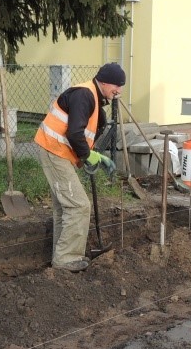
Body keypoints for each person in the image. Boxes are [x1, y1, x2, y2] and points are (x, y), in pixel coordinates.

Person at [34, 63, 124, 273]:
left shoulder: (92, 99)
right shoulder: (85, 95)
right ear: (103, 81)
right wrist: (87, 155)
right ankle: (67, 258)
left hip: (57, 152)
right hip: (54, 151)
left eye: (122, 86)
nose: (119, 90)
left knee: (64, 206)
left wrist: (91, 157)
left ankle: (60, 255)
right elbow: (74, 134)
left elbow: (83, 135)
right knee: (79, 205)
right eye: (117, 85)